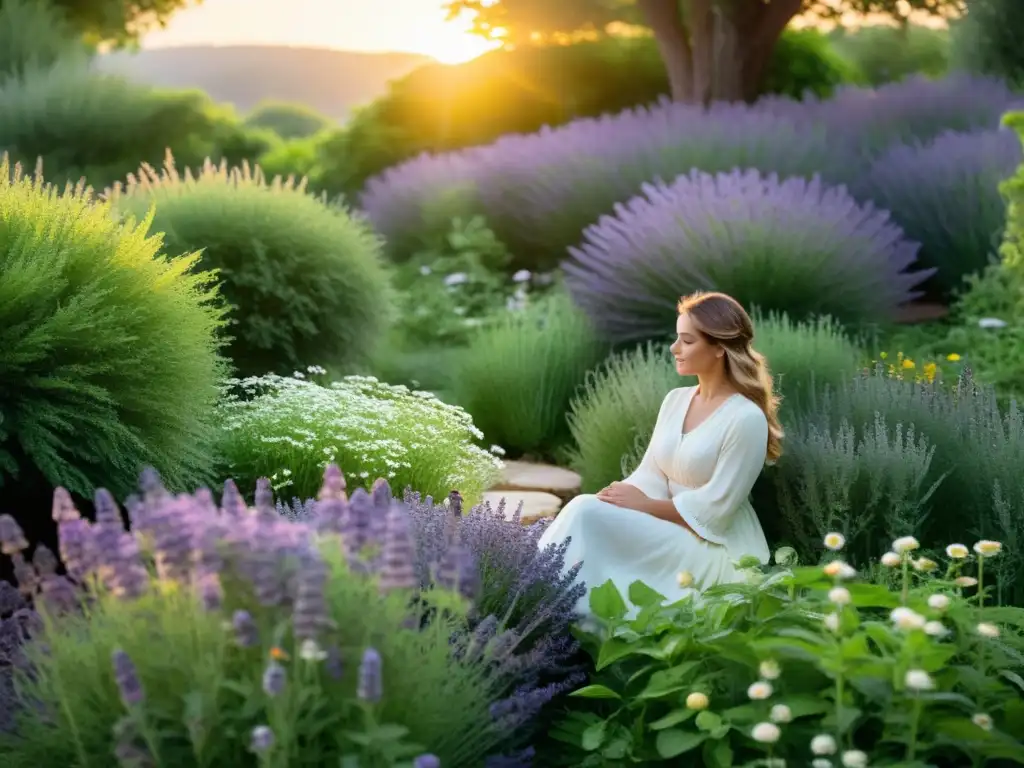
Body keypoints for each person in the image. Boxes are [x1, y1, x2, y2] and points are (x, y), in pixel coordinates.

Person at [538, 291, 783, 614]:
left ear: (719, 349)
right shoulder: (676, 400)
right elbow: (652, 471)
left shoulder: (745, 418)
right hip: (669, 525)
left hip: (716, 547)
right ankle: (539, 602)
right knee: (588, 509)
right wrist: (625, 493)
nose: (674, 348)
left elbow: (717, 509)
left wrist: (645, 506)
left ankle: (547, 607)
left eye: (687, 341)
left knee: (585, 512)